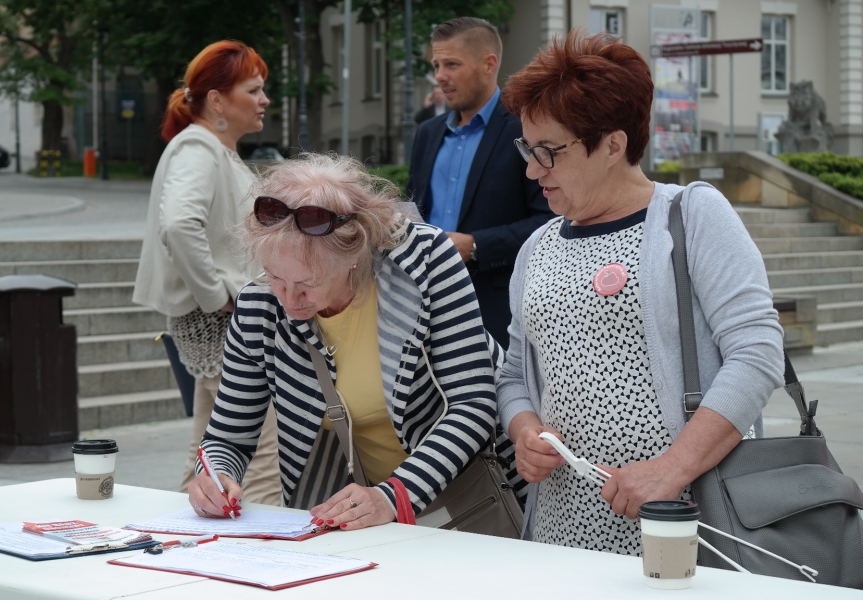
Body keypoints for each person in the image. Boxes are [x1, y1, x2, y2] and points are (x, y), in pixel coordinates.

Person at [496, 30, 784, 552]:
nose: (532, 169)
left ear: (613, 145)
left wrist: (671, 469)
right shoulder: (537, 246)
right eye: (527, 149)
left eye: (548, 152)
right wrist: (524, 429)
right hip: (562, 533)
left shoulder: (690, 214)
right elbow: (515, 372)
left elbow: (757, 353)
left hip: (683, 524)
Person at [187, 153, 517, 527]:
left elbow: (473, 403)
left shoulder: (424, 260)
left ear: (353, 257)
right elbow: (228, 437)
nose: (289, 300)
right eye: (275, 276)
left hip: (480, 489)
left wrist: (394, 495)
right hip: (371, 508)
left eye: (307, 284)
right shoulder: (259, 305)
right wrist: (214, 476)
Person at [132, 41, 281, 505]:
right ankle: (255, 538)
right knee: (262, 451)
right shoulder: (199, 146)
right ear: (217, 99)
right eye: (253, 90)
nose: (264, 100)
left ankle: (183, 534)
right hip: (222, 321)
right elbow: (179, 225)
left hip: (224, 320)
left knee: (212, 452)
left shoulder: (214, 149)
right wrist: (217, 296)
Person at [406, 17, 553, 349]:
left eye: (451, 64)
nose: (439, 75)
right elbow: (416, 210)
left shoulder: (525, 129)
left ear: (489, 64)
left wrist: (475, 245)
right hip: (426, 311)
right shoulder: (428, 134)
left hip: (498, 314)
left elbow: (550, 221)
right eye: (436, 65)